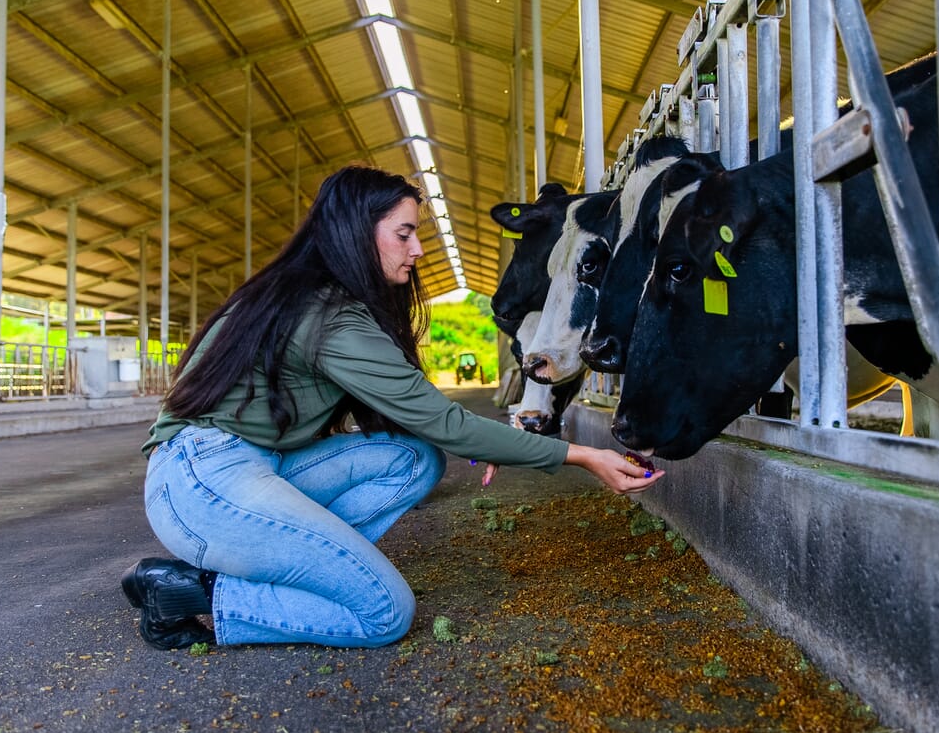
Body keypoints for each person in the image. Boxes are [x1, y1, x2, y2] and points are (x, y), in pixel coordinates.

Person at [122, 165, 665, 651]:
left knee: (414, 458)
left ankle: (302, 561)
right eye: (404, 233)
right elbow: (446, 421)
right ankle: (199, 594)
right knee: (383, 612)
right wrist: (581, 455)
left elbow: (427, 424)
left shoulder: (315, 296)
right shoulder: (328, 316)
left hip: (255, 463)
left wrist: (480, 441)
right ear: (358, 233)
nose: (418, 250)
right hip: (202, 483)